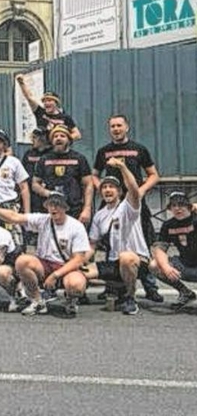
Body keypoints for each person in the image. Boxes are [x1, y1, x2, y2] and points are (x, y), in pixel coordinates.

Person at [0, 192, 90, 317]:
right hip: (44, 264)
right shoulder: (42, 219)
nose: (53, 208)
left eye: (57, 205)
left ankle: (71, 300)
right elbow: (14, 217)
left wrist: (55, 275)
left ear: (65, 207)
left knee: (76, 285)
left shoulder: (76, 227)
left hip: (65, 267)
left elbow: (78, 260)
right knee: (22, 261)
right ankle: (37, 300)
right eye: (50, 205)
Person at [93, 114, 162, 302]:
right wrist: (101, 188)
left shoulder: (139, 149)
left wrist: (140, 191)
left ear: (126, 127)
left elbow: (154, 175)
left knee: (143, 241)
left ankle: (150, 287)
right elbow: (94, 175)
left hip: (135, 203)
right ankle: (112, 287)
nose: (116, 129)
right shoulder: (103, 151)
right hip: (112, 203)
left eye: (119, 125)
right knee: (110, 242)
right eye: (113, 126)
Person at [86, 160, 150, 315]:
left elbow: (134, 189)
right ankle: (76, 298)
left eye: (112, 187)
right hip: (113, 262)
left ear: (120, 192)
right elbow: (92, 244)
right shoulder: (99, 216)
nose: (107, 190)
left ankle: (130, 298)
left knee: (126, 258)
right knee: (79, 273)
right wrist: (79, 262)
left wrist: (122, 167)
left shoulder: (128, 207)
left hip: (137, 260)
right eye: (104, 187)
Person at [32, 125, 94, 224]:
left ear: (69, 140)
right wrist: (47, 193)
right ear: (51, 141)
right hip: (51, 210)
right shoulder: (44, 159)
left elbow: (88, 184)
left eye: (62, 136)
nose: (58, 138)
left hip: (75, 210)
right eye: (55, 136)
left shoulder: (79, 159)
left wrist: (87, 209)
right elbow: (35, 184)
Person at [149, 191, 197, 307]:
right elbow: (159, 249)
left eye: (181, 205)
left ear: (189, 206)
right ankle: (185, 292)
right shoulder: (168, 225)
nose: (177, 208)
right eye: (173, 205)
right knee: (154, 265)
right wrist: (166, 267)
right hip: (185, 265)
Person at [16, 75, 82, 140]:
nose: (46, 103)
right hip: (43, 145)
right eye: (44, 101)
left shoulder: (65, 117)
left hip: (57, 147)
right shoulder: (40, 112)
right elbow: (29, 98)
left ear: (56, 103)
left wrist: (63, 139)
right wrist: (21, 83)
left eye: (49, 100)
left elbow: (77, 134)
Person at [21, 128, 51, 213]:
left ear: (43, 138)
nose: (32, 140)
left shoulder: (51, 154)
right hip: (31, 195)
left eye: (34, 137)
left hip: (46, 193)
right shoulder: (29, 154)